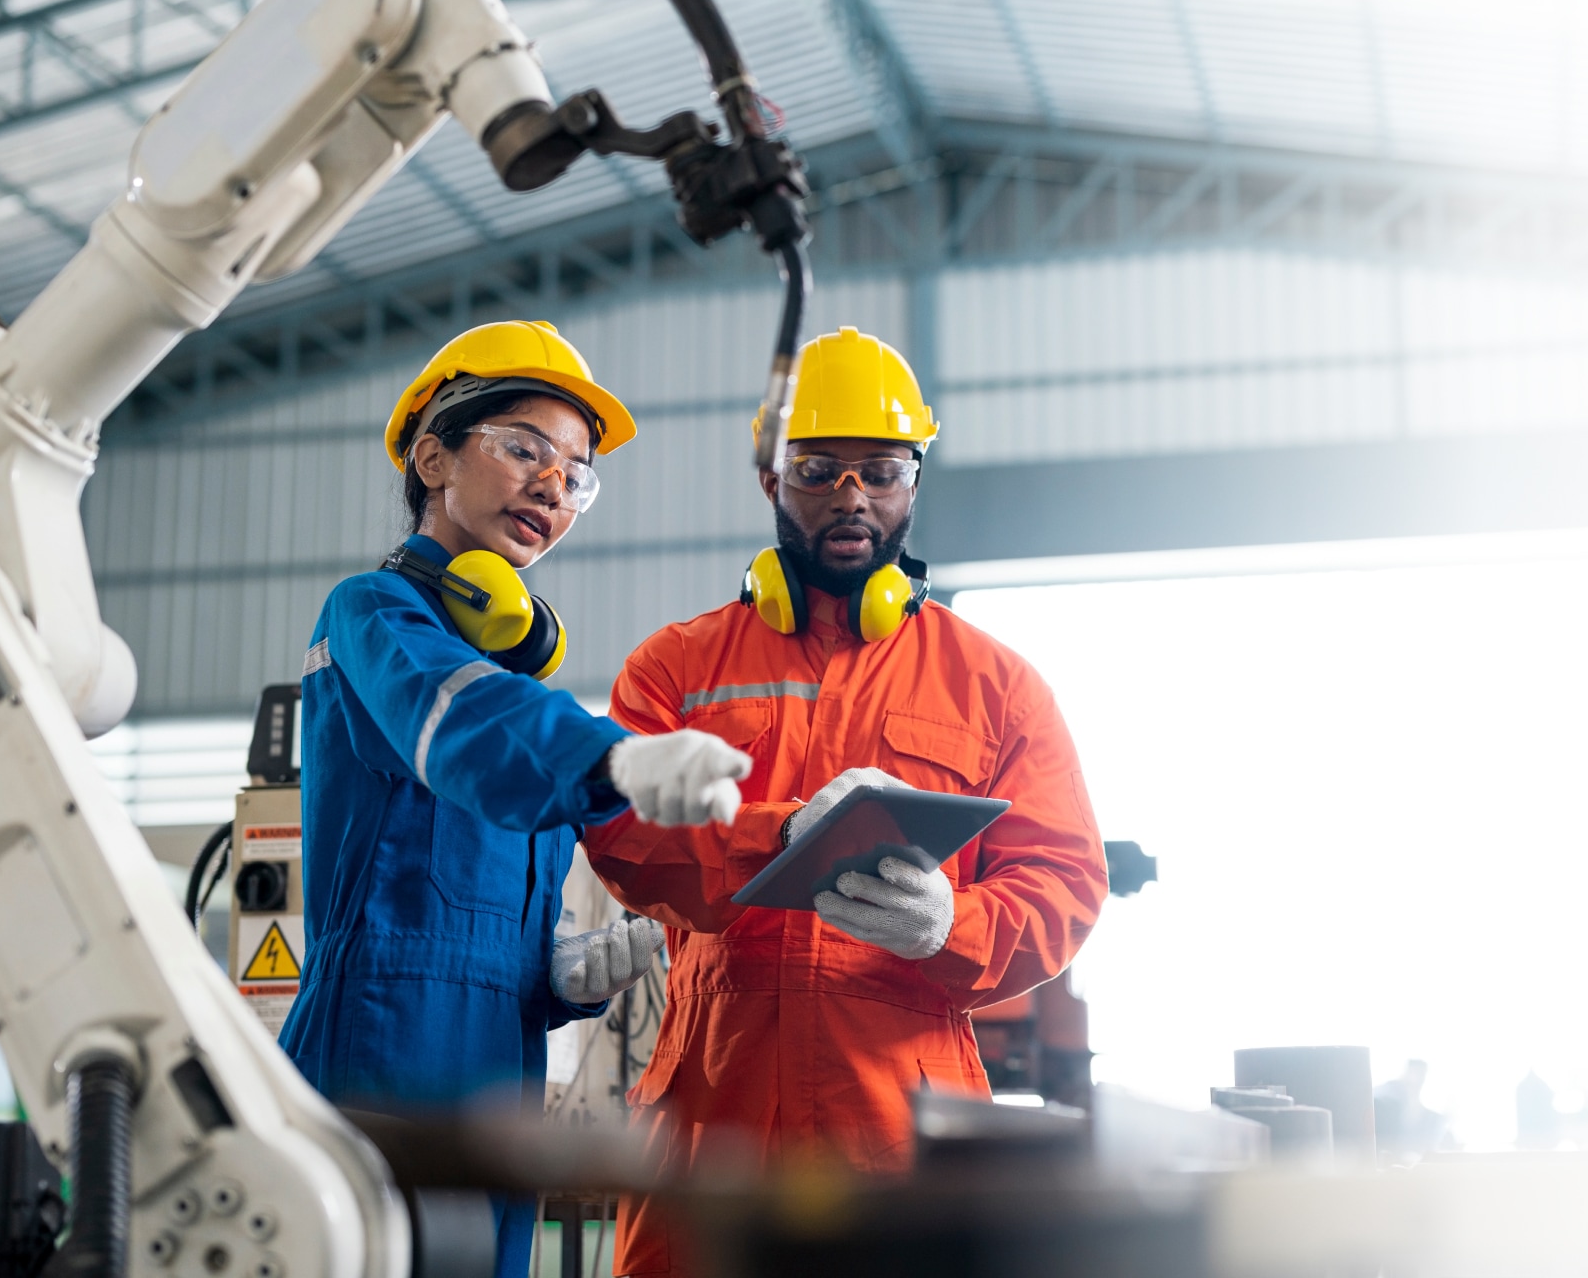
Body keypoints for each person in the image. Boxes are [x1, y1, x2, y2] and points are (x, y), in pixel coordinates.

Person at [580, 327, 1110, 1276]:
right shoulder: (677, 669)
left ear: (916, 482)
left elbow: (1064, 881)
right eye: (819, 470)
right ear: (771, 482)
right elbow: (620, 834)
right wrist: (774, 840)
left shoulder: (995, 685)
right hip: (716, 1115)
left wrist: (954, 923)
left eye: (880, 470)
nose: (851, 496)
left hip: (902, 1127)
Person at [281, 321, 755, 1278]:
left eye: (576, 474)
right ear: (433, 456)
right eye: (525, 449)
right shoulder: (373, 616)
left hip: (498, 1060)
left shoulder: (520, 690)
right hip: (379, 1046)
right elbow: (458, 731)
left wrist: (553, 978)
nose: (553, 486)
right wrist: (618, 758)